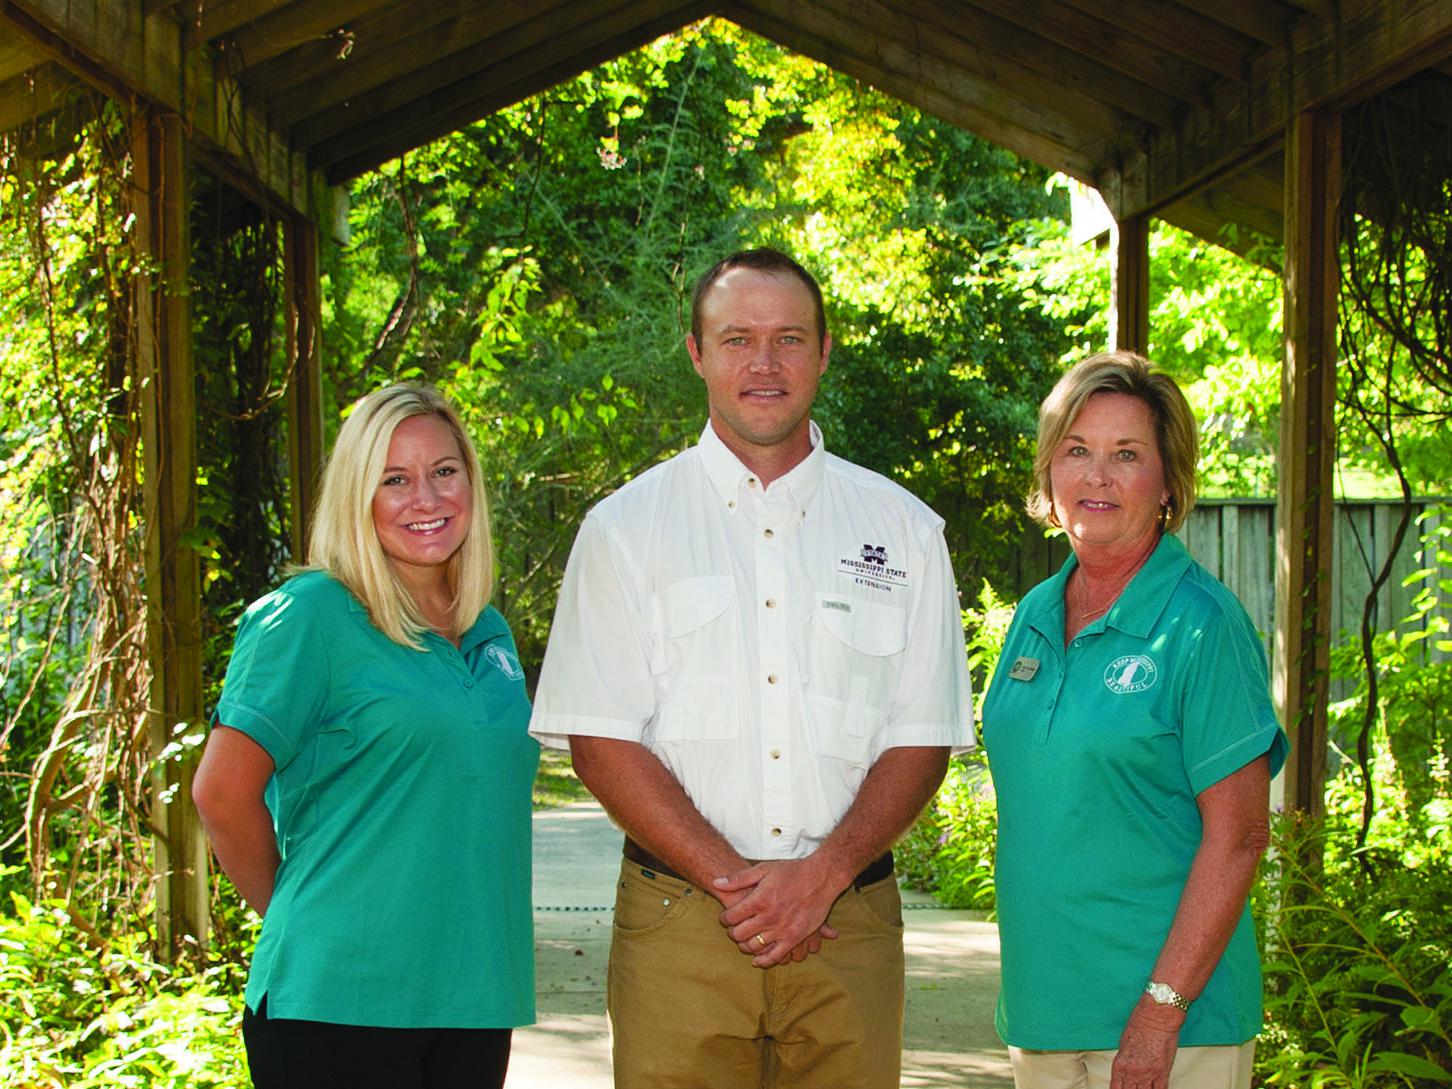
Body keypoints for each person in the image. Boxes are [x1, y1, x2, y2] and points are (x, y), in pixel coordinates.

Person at [529, 247, 973, 1088]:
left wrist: (823, 876)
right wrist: (748, 888)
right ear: (696, 353)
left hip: (851, 919)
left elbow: (923, 734)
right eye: (737, 339)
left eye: (789, 339)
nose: (763, 364)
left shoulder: (906, 530)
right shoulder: (625, 528)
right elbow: (600, 740)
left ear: (825, 350)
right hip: (680, 925)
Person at [192, 384, 538, 1089]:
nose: (427, 497)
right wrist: (313, 917)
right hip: (338, 1004)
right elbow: (221, 794)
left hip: (473, 999)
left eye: (444, 471)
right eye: (395, 479)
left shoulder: (488, 628)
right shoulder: (309, 616)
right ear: (359, 495)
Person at [982, 351, 1290, 1089]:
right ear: (1049, 472)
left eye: (1127, 454)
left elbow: (1242, 833)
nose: (1097, 475)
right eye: (1077, 450)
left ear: (1167, 483)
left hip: (1170, 1028)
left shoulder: (1200, 624)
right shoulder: (1032, 615)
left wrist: (1160, 1011)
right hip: (1045, 1014)